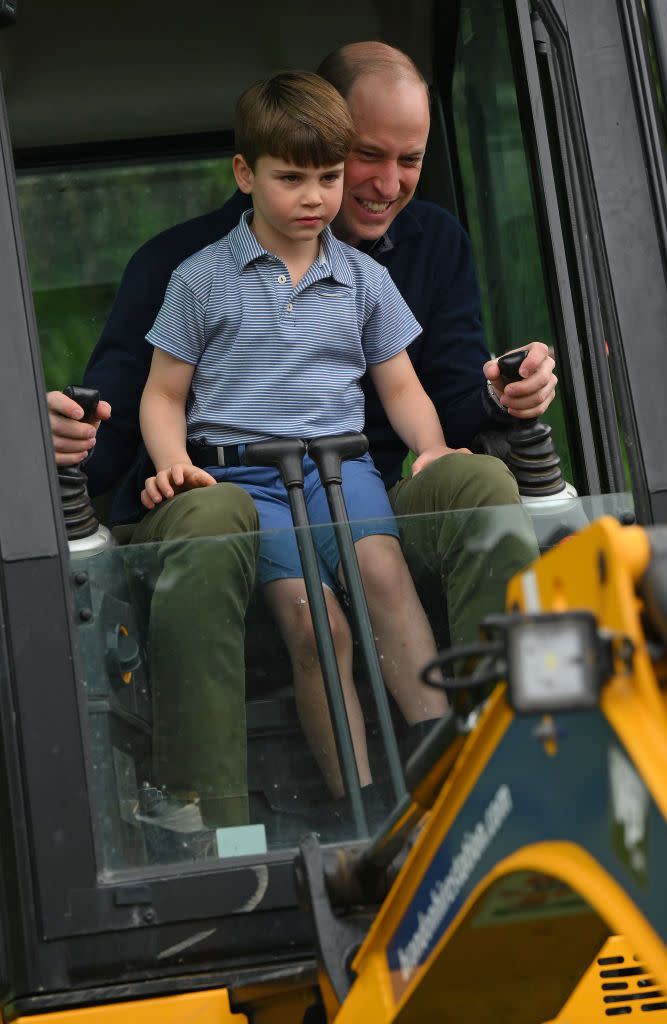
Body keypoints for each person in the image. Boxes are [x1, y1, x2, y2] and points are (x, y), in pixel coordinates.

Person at [47, 41, 556, 845]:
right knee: (274, 579)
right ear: (279, 154)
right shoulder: (188, 270)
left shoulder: (414, 254)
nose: (382, 185)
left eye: (409, 160)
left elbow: (431, 389)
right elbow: (137, 406)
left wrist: (497, 396)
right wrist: (74, 438)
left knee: (479, 487)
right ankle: (216, 830)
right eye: (361, 158)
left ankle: (497, 775)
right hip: (231, 487)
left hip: (356, 478)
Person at [139, 71, 449, 807]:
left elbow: (398, 385)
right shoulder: (201, 279)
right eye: (291, 178)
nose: (314, 198)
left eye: (329, 178)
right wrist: (174, 466)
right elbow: (162, 392)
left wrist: (429, 448)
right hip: (247, 480)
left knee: (383, 578)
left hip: (342, 467)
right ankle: (362, 802)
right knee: (316, 627)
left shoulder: (364, 279)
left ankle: (447, 770)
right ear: (245, 174)